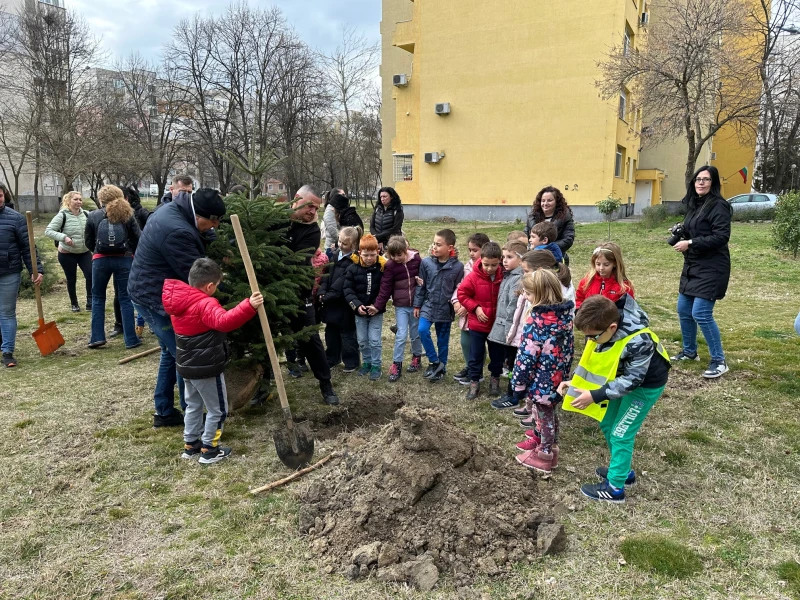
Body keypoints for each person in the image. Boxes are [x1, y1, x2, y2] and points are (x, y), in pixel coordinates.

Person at [128, 187, 224, 427]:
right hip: (155, 297)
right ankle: (194, 416)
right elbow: (198, 278)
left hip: (152, 290)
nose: (215, 228)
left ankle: (163, 412)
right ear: (201, 216)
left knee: (170, 352)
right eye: (212, 223)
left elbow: (203, 236)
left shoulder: (177, 210)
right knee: (185, 354)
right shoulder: (176, 231)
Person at [562, 294, 670, 502]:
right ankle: (623, 470)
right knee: (608, 422)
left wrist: (596, 395)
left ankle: (615, 488)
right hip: (616, 381)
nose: (591, 341)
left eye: (593, 337)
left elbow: (632, 380)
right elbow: (593, 362)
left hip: (643, 388)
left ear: (612, 328)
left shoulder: (639, 340)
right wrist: (574, 383)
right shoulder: (601, 331)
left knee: (621, 433)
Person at [163, 258, 262, 464]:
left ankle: (190, 445)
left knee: (193, 405)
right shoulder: (204, 304)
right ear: (209, 286)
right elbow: (224, 321)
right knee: (218, 409)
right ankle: (210, 449)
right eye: (216, 286)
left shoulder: (179, 302)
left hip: (186, 367)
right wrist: (249, 305)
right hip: (206, 369)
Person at [671, 165, 733, 379]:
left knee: (701, 313)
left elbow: (721, 237)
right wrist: (682, 233)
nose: (701, 182)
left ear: (713, 183)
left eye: (706, 179)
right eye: (698, 179)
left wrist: (691, 242)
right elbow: (696, 229)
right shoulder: (695, 205)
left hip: (713, 267)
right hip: (693, 264)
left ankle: (719, 360)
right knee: (683, 309)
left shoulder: (719, 206)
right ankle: (690, 352)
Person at [511, 270, 575, 474]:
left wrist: (518, 383)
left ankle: (544, 454)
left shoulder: (537, 322)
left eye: (528, 294)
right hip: (558, 377)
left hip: (540, 379)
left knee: (543, 415)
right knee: (550, 413)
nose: (526, 298)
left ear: (539, 294)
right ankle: (548, 446)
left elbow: (526, 356)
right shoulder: (564, 317)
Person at [284, 185, 340, 405]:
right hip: (270, 293)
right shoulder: (276, 221)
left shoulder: (312, 230)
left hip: (299, 292)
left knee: (310, 339)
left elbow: (296, 261)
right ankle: (262, 385)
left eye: (316, 208)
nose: (313, 212)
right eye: (310, 206)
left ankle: (325, 384)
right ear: (297, 199)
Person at [84, 185, 142, 350]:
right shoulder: (127, 214)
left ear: (101, 199)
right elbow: (138, 237)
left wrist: (97, 251)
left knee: (98, 298)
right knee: (125, 298)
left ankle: (97, 337)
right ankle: (131, 339)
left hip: (100, 260)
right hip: (124, 260)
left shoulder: (94, 215)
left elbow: (88, 240)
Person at [0, 182, 43, 368]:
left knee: (7, 312)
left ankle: (7, 351)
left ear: (4, 196)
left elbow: (28, 247)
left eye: (0, 195)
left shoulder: (15, 219)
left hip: (9, 272)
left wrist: (37, 269)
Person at [414, 229, 464, 382]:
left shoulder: (458, 267)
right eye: (434, 243)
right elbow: (421, 286)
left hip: (445, 308)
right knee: (422, 330)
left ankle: (442, 368)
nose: (434, 247)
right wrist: (417, 305)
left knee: (443, 340)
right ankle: (434, 361)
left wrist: (457, 304)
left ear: (450, 248)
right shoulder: (426, 263)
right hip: (428, 305)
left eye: (438, 245)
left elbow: (458, 289)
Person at [457, 241, 505, 400]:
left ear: (500, 260)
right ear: (481, 260)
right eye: (486, 265)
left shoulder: (504, 276)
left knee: (497, 354)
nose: (490, 268)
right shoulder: (472, 277)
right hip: (478, 325)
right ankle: (474, 381)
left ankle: (495, 379)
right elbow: (462, 294)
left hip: (497, 325)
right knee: (475, 354)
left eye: (494, 265)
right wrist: (475, 308)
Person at [374, 235, 422, 382]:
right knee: (401, 334)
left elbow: (424, 278)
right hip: (401, 306)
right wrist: (378, 306)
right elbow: (386, 287)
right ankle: (397, 364)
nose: (396, 258)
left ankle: (417, 357)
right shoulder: (390, 266)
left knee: (415, 333)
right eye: (392, 255)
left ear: (405, 249)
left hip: (415, 305)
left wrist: (422, 286)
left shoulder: (417, 260)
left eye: (399, 255)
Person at [487, 241, 528, 408]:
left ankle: (513, 393)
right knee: (510, 361)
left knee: (513, 362)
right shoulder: (509, 275)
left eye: (509, 257)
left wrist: (509, 333)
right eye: (504, 257)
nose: (504, 261)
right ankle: (513, 389)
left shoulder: (518, 279)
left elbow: (512, 309)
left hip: (512, 331)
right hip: (507, 328)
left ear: (521, 259)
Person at [318, 226, 361, 374]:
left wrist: (327, 296)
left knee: (347, 334)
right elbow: (326, 275)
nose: (340, 245)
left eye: (344, 244)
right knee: (331, 333)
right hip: (330, 303)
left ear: (353, 246)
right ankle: (332, 358)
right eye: (339, 242)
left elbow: (341, 284)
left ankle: (351, 361)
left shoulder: (353, 262)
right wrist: (321, 290)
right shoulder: (335, 255)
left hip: (344, 304)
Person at [344, 234, 386, 380]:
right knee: (362, 340)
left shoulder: (382, 268)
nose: (369, 258)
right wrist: (356, 306)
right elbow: (348, 290)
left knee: (374, 340)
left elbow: (385, 290)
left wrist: (377, 306)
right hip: (360, 312)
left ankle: (376, 365)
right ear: (359, 253)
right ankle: (366, 362)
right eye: (366, 255)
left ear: (378, 253)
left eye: (372, 255)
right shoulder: (352, 268)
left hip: (376, 311)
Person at [452, 232, 490, 384]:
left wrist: (468, 307)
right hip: (466, 312)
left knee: (477, 345)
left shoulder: (488, 268)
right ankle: (470, 367)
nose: (471, 253)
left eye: (475, 250)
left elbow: (483, 294)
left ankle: (477, 371)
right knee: (465, 342)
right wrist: (456, 301)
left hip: (479, 313)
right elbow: (461, 286)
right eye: (470, 250)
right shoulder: (468, 266)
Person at [45, 191, 91, 312]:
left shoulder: (86, 214)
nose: (79, 202)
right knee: (71, 279)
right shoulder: (62, 215)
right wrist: (64, 237)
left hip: (84, 251)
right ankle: (74, 303)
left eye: (80, 199)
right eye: (75, 199)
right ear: (68, 201)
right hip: (67, 253)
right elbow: (48, 231)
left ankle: (90, 301)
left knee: (90, 275)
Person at [524, 186, 575, 265]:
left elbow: (568, 239)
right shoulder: (532, 217)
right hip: (533, 257)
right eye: (543, 200)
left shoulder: (565, 217)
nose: (545, 203)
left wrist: (547, 247)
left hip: (555, 257)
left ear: (556, 202)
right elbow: (525, 235)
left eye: (549, 200)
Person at [575, 243, 634, 310]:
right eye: (598, 264)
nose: (601, 268)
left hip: (612, 319)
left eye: (606, 264)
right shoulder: (586, 281)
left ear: (615, 263)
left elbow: (628, 309)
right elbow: (578, 299)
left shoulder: (624, 286)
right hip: (588, 318)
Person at [369, 187, 404, 251]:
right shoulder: (377, 209)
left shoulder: (397, 210)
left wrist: (379, 237)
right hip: (377, 242)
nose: (382, 199)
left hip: (392, 242)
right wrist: (378, 239)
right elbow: (372, 226)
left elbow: (395, 229)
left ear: (392, 197)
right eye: (381, 197)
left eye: (385, 196)